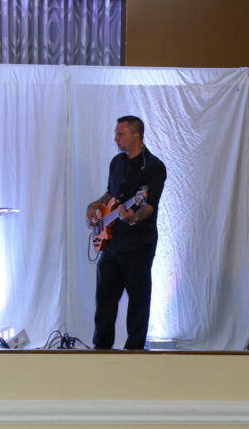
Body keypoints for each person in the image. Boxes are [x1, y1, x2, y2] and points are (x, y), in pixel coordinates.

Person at [85, 115, 167, 350]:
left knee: (138, 303)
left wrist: (134, 217)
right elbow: (110, 194)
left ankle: (134, 352)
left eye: (120, 134)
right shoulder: (117, 162)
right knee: (104, 301)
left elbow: (149, 206)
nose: (116, 138)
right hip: (112, 244)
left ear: (136, 135)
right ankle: (101, 350)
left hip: (139, 243)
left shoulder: (154, 167)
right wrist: (95, 205)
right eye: (116, 134)